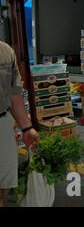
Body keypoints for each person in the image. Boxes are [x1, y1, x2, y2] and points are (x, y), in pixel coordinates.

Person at [0, 41, 40, 207]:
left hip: (2, 122)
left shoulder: (5, 52)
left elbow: (14, 95)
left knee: (3, 183)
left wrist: (27, 127)